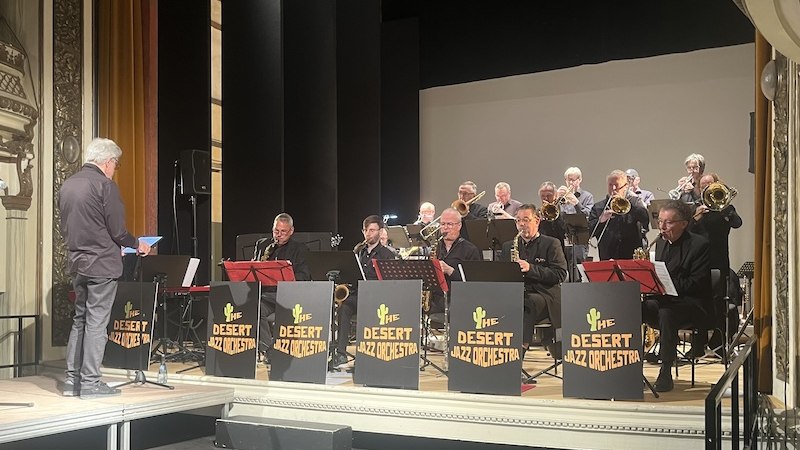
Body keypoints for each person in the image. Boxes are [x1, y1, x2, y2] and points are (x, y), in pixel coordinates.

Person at [60, 137, 152, 398]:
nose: (114, 168)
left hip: (77, 262)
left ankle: (71, 381)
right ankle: (90, 384)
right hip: (101, 264)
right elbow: (117, 230)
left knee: (80, 320)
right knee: (97, 324)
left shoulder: (68, 184)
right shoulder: (104, 185)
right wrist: (138, 244)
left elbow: (70, 225)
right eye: (116, 164)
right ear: (108, 162)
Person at [641, 200, 712, 392]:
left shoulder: (700, 245)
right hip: (667, 299)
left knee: (666, 313)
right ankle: (630, 366)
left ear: (684, 223)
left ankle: (666, 371)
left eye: (668, 222)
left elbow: (697, 283)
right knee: (634, 308)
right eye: (660, 221)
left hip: (692, 303)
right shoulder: (663, 244)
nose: (662, 227)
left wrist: (666, 285)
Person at [500, 205, 568, 354]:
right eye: (518, 221)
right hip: (517, 293)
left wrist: (531, 269)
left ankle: (519, 353)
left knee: (526, 304)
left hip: (545, 294)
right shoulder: (508, 246)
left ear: (537, 221)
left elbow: (560, 274)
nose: (521, 224)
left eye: (526, 220)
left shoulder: (552, 243)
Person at [333, 215, 397, 367]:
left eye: (372, 230)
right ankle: (340, 352)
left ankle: (367, 354)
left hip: (377, 297)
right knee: (344, 307)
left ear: (380, 232)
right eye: (366, 230)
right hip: (359, 293)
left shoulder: (387, 254)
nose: (368, 234)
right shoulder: (359, 252)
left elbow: (390, 283)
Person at [689, 173, 742, 355]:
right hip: (699, 263)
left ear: (717, 185)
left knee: (719, 303)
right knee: (698, 302)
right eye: (702, 185)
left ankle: (718, 344)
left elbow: (737, 223)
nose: (705, 188)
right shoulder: (697, 208)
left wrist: (724, 209)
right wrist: (694, 220)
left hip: (719, 261)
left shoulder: (726, 206)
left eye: (709, 184)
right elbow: (687, 233)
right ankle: (697, 346)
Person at [253, 213, 310, 360]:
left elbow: (305, 275)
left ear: (291, 231)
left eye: (283, 232)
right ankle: (267, 348)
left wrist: (287, 277)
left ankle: (272, 350)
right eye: (276, 231)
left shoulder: (300, 249)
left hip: (287, 296)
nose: (279, 235)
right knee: (253, 306)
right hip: (266, 295)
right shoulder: (263, 245)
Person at [428, 208, 483, 313]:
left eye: (449, 224)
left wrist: (450, 271)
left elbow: (474, 283)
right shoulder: (436, 247)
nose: (445, 228)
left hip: (460, 300)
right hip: (436, 299)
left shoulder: (471, 250)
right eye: (442, 224)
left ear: (459, 226)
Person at [588, 170, 649, 260]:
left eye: (617, 185)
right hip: (607, 257)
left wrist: (633, 204)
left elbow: (646, 222)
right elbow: (589, 232)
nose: (613, 189)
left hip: (631, 257)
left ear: (626, 186)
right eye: (610, 185)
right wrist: (601, 220)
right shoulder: (598, 207)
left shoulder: (634, 203)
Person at [537, 181, 567, 251]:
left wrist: (556, 216)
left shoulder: (562, 211)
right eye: (543, 196)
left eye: (549, 195)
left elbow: (563, 232)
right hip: (542, 248)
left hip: (558, 248)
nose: (546, 199)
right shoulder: (537, 212)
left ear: (556, 195)